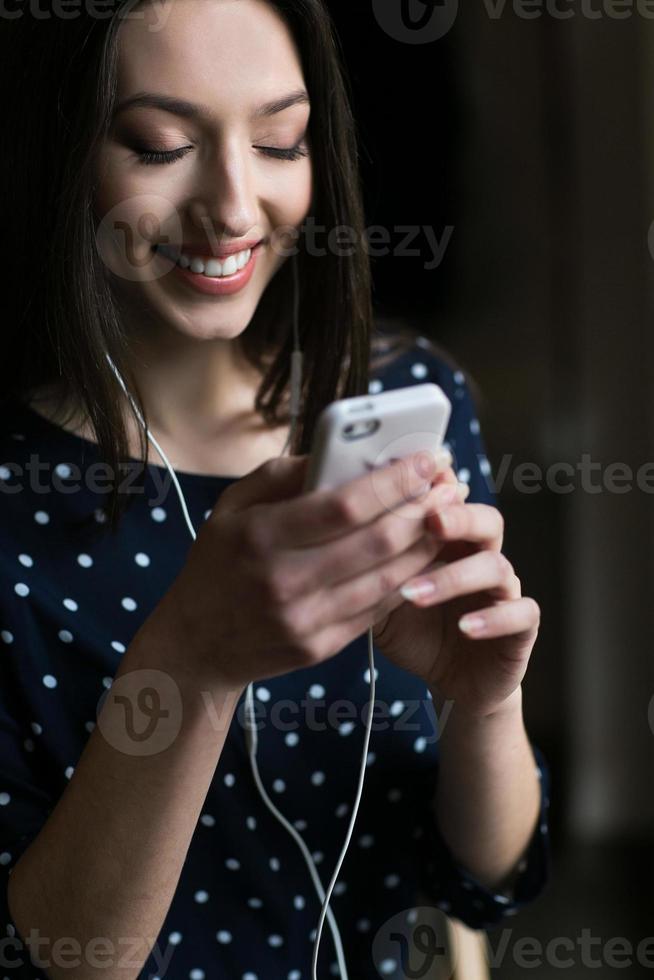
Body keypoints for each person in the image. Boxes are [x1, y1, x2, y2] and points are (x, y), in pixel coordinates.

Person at [0, 1, 551, 978]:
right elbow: (50, 959)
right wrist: (192, 663)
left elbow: (484, 879)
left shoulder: (407, 401)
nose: (233, 207)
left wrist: (488, 704)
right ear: (62, 146)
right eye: (160, 146)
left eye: (278, 142)